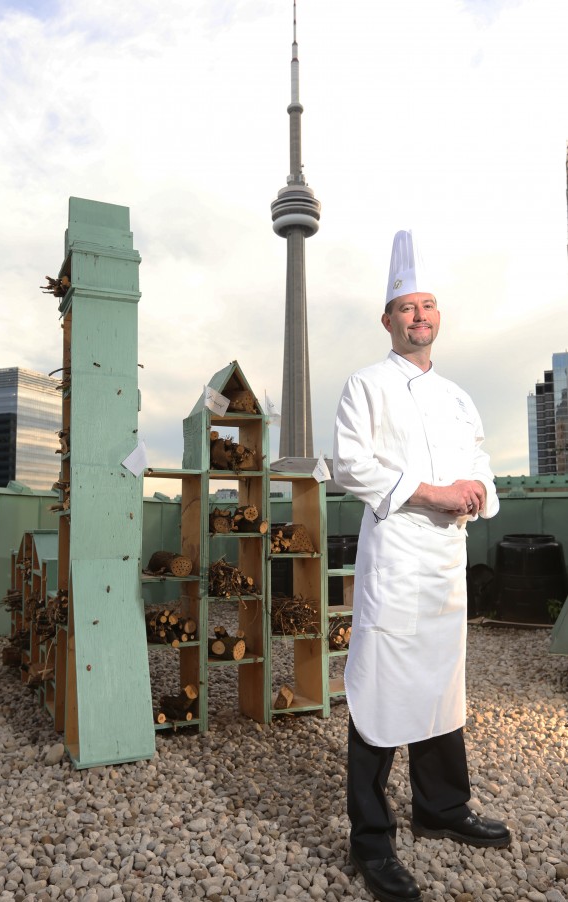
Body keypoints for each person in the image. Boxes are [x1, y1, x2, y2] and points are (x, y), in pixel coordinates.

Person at [332, 230, 510, 902]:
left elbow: (483, 466)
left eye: (428, 306)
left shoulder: (460, 397)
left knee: (441, 685)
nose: (419, 317)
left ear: (439, 317)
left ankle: (441, 808)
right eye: (407, 307)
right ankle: (371, 840)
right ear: (388, 319)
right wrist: (433, 492)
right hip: (398, 564)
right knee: (381, 688)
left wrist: (478, 493)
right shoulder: (366, 386)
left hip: (445, 566)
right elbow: (351, 461)